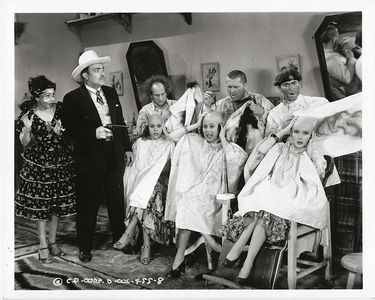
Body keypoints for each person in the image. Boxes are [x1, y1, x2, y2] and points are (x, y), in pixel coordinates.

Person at [220, 117, 328, 286]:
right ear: (290, 133)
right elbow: (260, 152)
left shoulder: (312, 154)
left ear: (311, 135)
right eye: (296, 132)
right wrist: (283, 132)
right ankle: (246, 264)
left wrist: (311, 150)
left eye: (305, 133)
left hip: (293, 197)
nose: (300, 137)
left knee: (267, 201)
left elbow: (316, 179)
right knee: (264, 198)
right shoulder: (280, 148)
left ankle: (238, 250)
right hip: (271, 195)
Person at [62, 50, 133, 263]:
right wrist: (93, 133)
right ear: (85, 74)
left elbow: (120, 122)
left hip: (113, 156)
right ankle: (85, 247)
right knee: (88, 205)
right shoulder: (73, 98)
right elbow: (69, 133)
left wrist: (127, 148)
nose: (102, 73)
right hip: (89, 161)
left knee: (116, 202)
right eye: (97, 70)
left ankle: (121, 240)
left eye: (102, 69)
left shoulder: (110, 93)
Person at [164, 111, 248, 278]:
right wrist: (196, 125)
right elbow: (172, 137)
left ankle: (180, 259)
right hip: (195, 193)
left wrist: (223, 138)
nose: (208, 130)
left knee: (188, 203)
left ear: (220, 127)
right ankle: (188, 253)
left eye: (212, 126)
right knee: (186, 200)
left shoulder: (230, 148)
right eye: (205, 127)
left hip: (215, 198)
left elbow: (237, 162)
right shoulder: (195, 141)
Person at [15, 75, 76, 263]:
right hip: (38, 165)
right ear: (36, 96)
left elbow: (70, 134)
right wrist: (26, 130)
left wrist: (61, 134)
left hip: (59, 162)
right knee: (41, 206)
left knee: (56, 205)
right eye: (46, 96)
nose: (50, 100)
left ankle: (52, 242)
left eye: (52, 95)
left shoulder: (61, 110)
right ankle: (42, 244)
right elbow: (24, 143)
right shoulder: (28, 115)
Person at [113, 114, 175, 264]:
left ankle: (128, 232)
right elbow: (135, 168)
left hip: (161, 183)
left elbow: (170, 168)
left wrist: (168, 136)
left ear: (163, 127)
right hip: (143, 185)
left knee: (148, 191)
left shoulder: (168, 144)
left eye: (159, 126)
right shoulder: (141, 142)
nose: (155, 130)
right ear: (148, 126)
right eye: (152, 126)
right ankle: (145, 245)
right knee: (146, 195)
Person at [265, 64, 329, 136]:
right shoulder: (274, 114)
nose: (291, 88)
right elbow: (267, 141)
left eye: (293, 83)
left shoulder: (319, 103)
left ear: (299, 83)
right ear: (279, 88)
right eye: (286, 85)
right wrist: (282, 127)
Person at [215, 70, 274, 135]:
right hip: (228, 143)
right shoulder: (221, 104)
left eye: (236, 87)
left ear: (245, 85)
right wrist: (207, 106)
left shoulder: (260, 100)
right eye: (229, 87)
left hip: (256, 143)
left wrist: (263, 113)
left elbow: (276, 121)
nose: (232, 91)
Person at [321, 25, 359, 100]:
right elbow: (347, 78)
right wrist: (350, 58)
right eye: (337, 36)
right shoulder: (333, 60)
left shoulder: (327, 54)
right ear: (334, 39)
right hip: (353, 94)